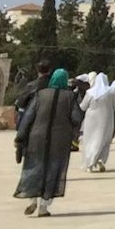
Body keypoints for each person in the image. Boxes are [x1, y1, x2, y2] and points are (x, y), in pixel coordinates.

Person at [14, 70, 84, 218]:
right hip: (59, 140)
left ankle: (32, 199)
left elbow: (28, 117)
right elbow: (77, 118)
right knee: (53, 171)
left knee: (34, 167)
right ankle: (43, 207)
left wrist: (20, 137)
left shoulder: (40, 94)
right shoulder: (70, 97)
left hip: (36, 137)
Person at [76, 73, 115, 173]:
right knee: (104, 140)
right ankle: (100, 160)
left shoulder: (90, 92)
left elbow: (83, 106)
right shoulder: (111, 91)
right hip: (106, 119)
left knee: (90, 140)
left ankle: (89, 163)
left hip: (91, 120)